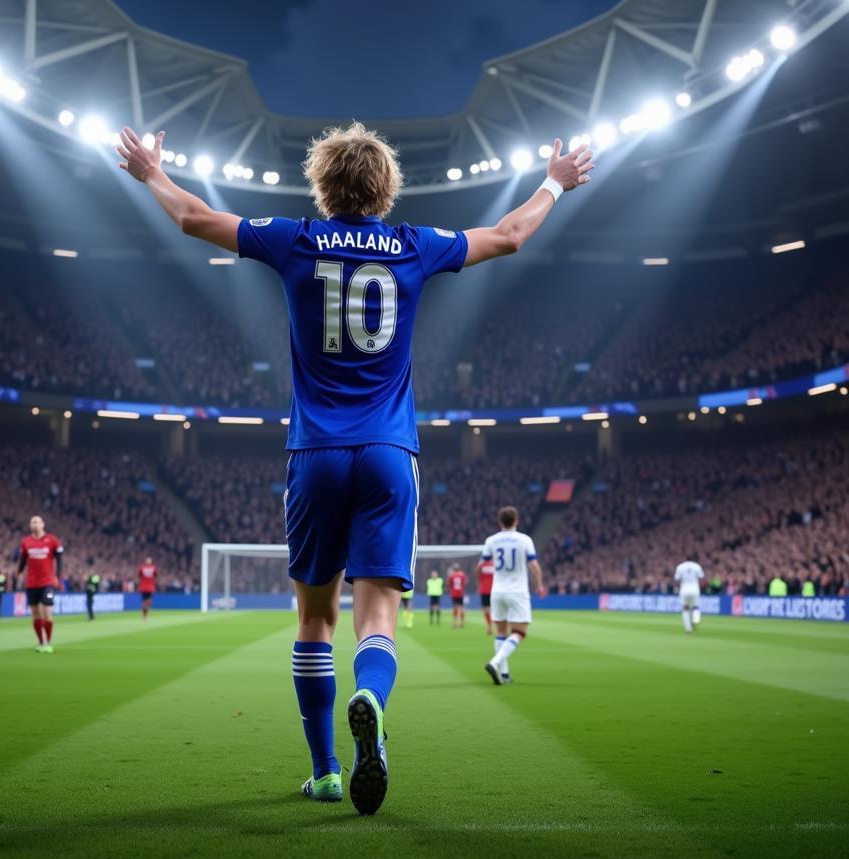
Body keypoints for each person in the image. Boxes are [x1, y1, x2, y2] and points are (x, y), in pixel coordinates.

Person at [116, 120, 592, 815]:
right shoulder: (413, 246)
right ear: (386, 188)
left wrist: (149, 172)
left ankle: (327, 770)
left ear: (322, 184)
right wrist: (555, 180)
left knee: (314, 621)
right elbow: (510, 235)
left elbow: (192, 217)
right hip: (390, 453)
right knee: (378, 617)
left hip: (314, 453)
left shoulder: (294, 239)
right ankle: (371, 695)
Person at [483, 507, 545, 684]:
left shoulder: (491, 540)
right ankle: (495, 663)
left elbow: (482, 564)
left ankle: (504, 674)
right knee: (519, 632)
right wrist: (539, 584)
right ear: (516, 521)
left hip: (497, 591)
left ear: (499, 521)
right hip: (517, 591)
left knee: (501, 632)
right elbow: (533, 565)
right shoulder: (524, 540)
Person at [16, 516, 63, 653]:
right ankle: (40, 642)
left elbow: (59, 558)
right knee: (36, 614)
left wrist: (58, 575)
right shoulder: (26, 542)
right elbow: (23, 559)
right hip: (31, 583)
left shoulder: (52, 540)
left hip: (47, 582)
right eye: (32, 522)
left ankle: (48, 642)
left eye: (37, 522)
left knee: (47, 612)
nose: (34, 524)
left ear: (43, 524)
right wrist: (19, 572)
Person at [674, 558, 705, 633]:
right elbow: (702, 577)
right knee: (695, 607)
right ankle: (696, 619)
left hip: (684, 589)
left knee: (685, 608)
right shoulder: (697, 566)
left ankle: (688, 628)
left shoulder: (680, 566)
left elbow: (676, 578)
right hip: (695, 588)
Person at [477, 555, 494, 634]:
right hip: (494, 589)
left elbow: (478, 574)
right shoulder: (495, 564)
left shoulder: (481, 565)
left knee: (485, 609)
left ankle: (489, 626)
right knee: (495, 609)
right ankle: (503, 627)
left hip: (484, 590)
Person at [447, 564, 468, 628]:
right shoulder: (462, 575)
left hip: (454, 593)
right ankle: (462, 623)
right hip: (460, 593)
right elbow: (464, 583)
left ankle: (455, 623)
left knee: (455, 608)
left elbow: (449, 584)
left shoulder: (451, 575)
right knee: (461, 608)